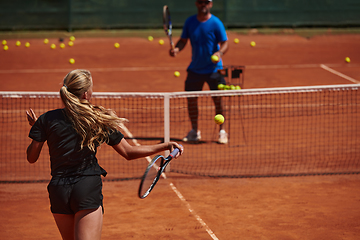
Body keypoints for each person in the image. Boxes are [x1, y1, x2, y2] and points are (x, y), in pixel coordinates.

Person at [26, 69, 184, 240]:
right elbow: (128, 152)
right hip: (85, 188)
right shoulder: (97, 118)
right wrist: (165, 145)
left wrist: (39, 130)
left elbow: (31, 158)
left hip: (59, 191)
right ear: (86, 93)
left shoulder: (47, 119)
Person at [169, 0, 229, 144]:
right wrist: (177, 48)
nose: (204, 5)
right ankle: (195, 131)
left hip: (214, 69)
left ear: (211, 4)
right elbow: (183, 40)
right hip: (195, 69)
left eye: (206, 2)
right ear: (197, 4)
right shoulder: (190, 22)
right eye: (201, 2)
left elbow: (225, 42)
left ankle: (222, 131)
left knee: (218, 100)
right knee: (191, 100)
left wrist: (219, 53)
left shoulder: (216, 23)